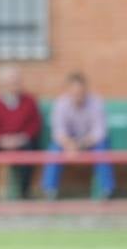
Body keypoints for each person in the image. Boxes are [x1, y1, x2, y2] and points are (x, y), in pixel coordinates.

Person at [41, 71, 114, 200]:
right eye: (74, 93)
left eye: (80, 92)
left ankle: (107, 190)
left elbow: (99, 131)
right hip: (68, 142)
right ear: (68, 92)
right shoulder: (61, 104)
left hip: (90, 142)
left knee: (102, 149)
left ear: (86, 90)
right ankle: (49, 190)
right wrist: (70, 145)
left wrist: (81, 144)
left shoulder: (96, 103)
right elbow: (58, 131)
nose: (78, 96)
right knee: (54, 150)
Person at [0, 65, 43, 198]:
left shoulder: (29, 101)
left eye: (17, 81)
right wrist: (2, 140)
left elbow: (35, 124)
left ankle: (24, 192)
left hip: (23, 141)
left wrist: (21, 138)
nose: (15, 85)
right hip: (2, 141)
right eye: (11, 82)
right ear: (3, 84)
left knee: (30, 152)